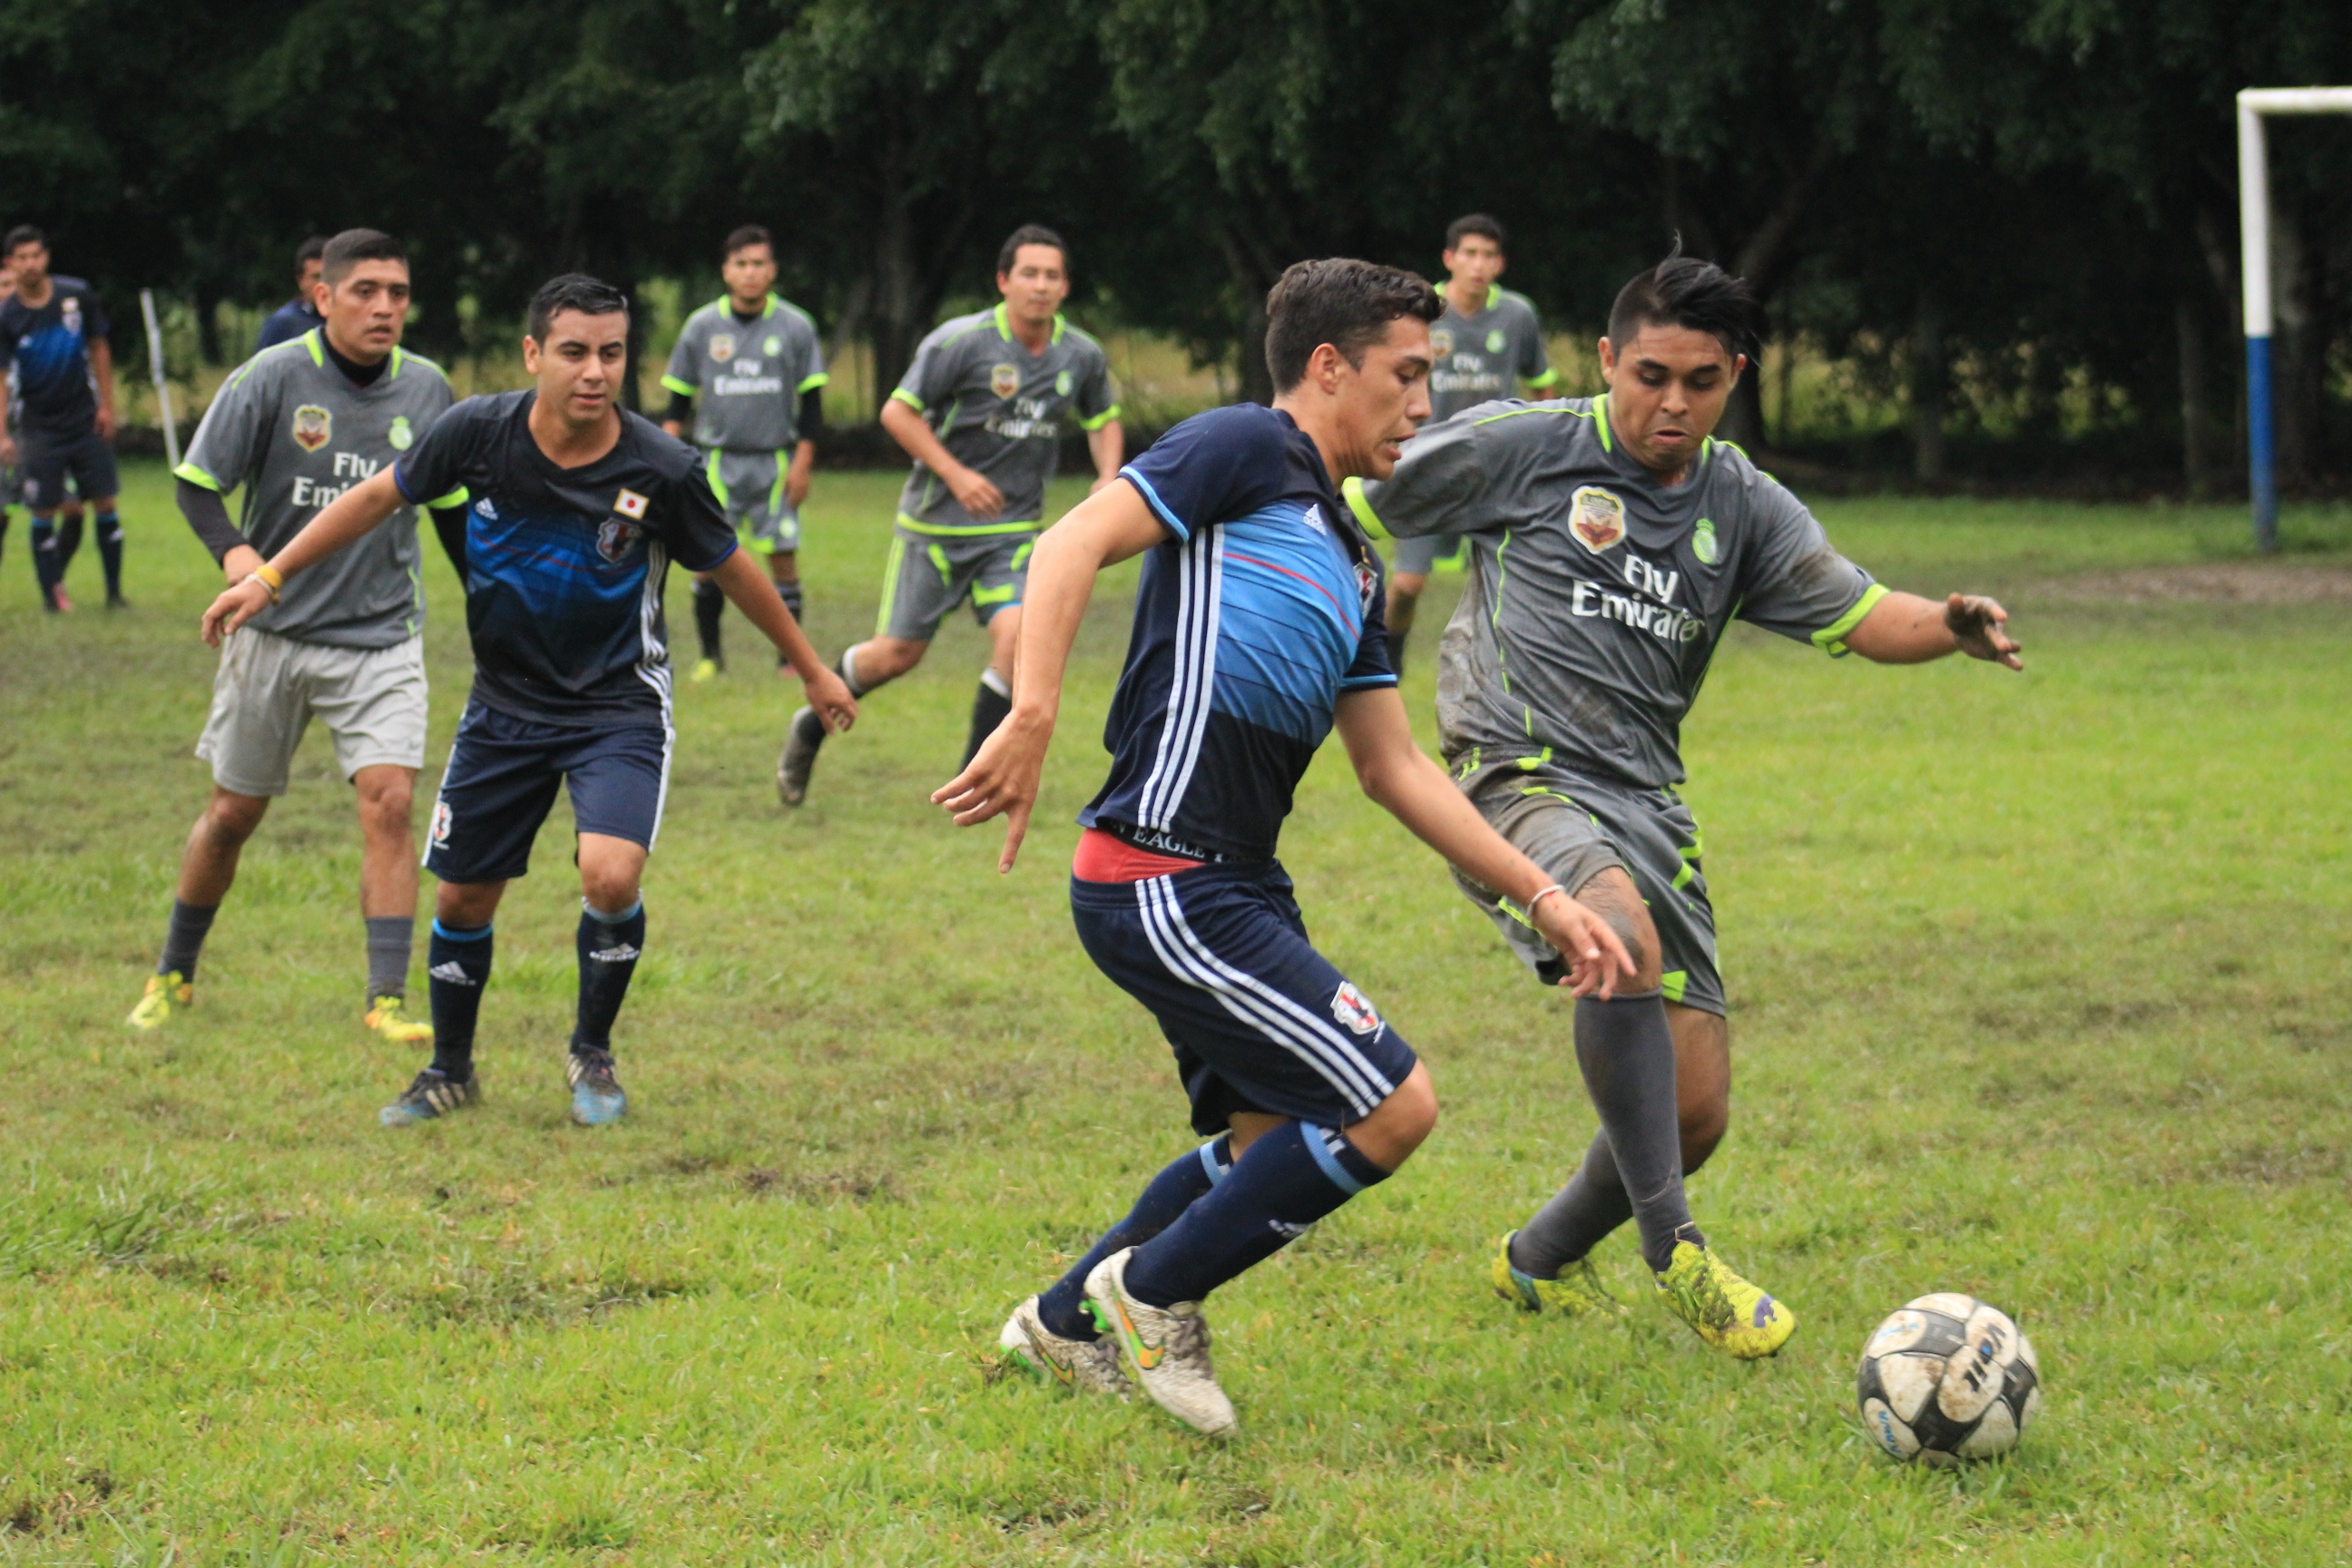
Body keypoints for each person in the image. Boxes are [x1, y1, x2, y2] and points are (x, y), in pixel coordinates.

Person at [936, 259, 1635, 1439]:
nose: (1425, 403)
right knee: (1393, 1107)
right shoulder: (1244, 447)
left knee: (1268, 1140)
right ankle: (1151, 1295)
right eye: (1406, 375)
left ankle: (1061, 1322)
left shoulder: (1351, 555)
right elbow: (1066, 545)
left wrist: (1543, 895)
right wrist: (1034, 711)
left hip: (1237, 882)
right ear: (1328, 367)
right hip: (1163, 868)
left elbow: (1394, 767)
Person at [1344, 248, 2024, 1359]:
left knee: (1692, 1112)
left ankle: (1537, 1258)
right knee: (1612, 932)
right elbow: (1350, 483)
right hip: (1514, 770)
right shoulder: (1526, 444)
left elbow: (1860, 613)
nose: (1673, 403)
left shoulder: (1740, 502)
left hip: (1647, 801)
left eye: (1701, 383)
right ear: (1608, 360)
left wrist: (1948, 627)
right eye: (1650, 376)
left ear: (1733, 379)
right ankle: (1677, 1249)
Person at [200, 274, 858, 1130]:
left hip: (617, 706)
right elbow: (373, 499)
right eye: (574, 352)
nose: (595, 371)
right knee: (462, 900)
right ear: (533, 354)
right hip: (504, 705)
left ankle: (592, 1051)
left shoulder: (661, 467)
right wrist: (270, 577)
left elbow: (731, 567)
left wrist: (810, 668)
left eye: (612, 353)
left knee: (610, 875)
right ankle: (449, 1070)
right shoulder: (478, 433)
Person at [127, 228, 467, 1044]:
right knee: (232, 814)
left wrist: (497, 604)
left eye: (397, 293)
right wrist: (239, 558)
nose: (384, 307)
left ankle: (386, 997)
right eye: (365, 292)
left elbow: (455, 515)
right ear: (322, 297)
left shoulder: (428, 390)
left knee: (391, 803)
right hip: (272, 634)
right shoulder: (273, 376)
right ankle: (173, 972)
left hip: (382, 638)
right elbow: (198, 485)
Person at [777, 224, 1121, 807]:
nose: (1040, 286)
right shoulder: (960, 343)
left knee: (1017, 640)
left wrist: (1108, 474)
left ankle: (972, 778)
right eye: (1029, 274)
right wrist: (957, 475)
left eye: (1052, 276)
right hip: (933, 529)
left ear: (1065, 287)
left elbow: (1103, 418)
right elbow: (897, 413)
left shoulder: (1080, 355)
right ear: (1004, 281)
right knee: (896, 656)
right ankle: (809, 726)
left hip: (1012, 532)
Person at [1384, 214, 1559, 672]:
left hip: (1497, 470)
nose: (1478, 265)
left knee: (1510, 582)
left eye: (1488, 256)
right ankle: (1386, 663)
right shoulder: (1423, 312)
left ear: (1500, 264)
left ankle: (1506, 674)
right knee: (1406, 586)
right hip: (1427, 462)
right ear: (1450, 258)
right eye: (1470, 254)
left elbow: (1542, 382)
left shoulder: (1517, 315)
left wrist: (1549, 442)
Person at [661, 225, 828, 681]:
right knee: (707, 562)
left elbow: (812, 404)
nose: (750, 273)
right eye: (741, 264)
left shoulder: (795, 326)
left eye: (758, 264)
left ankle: (788, 661)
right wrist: (666, 460)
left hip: (776, 460)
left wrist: (804, 462)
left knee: (783, 559)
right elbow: (677, 403)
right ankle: (711, 657)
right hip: (716, 461)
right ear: (726, 271)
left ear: (772, 271)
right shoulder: (702, 327)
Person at [0, 225, 124, 611]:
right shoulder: (7, 315)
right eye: (22, 258)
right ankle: (51, 599)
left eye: (36, 255)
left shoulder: (76, 295)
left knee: (104, 502)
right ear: (10, 264)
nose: (30, 264)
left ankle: (114, 594)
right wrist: (2, 434)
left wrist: (106, 405)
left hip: (84, 419)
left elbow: (99, 347)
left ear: (47, 256)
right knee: (43, 509)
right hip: (38, 426)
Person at [254, 237, 329, 354]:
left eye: (328, 276)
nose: (322, 284)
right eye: (316, 277)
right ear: (300, 280)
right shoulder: (282, 323)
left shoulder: (347, 319)